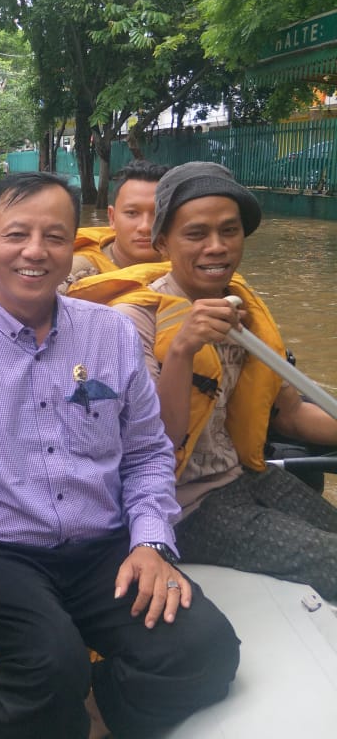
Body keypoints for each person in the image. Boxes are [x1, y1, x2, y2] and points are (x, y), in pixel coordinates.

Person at [0, 172, 239, 738]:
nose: (35, 251)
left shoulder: (114, 335)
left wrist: (150, 542)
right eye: (16, 235)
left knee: (207, 649)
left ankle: (95, 718)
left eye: (54, 236)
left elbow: (148, 452)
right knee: (53, 662)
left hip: (104, 545)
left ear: (74, 244)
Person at [70, 161, 337, 599]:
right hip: (180, 506)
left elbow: (289, 414)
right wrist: (182, 349)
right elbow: (152, 443)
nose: (216, 247)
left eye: (229, 232)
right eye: (196, 234)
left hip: (244, 476)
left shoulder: (243, 310)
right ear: (162, 243)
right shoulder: (131, 320)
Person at [61, 160, 168, 291]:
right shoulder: (78, 274)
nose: (145, 227)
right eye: (132, 213)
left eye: (158, 214)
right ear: (112, 218)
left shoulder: (185, 266)